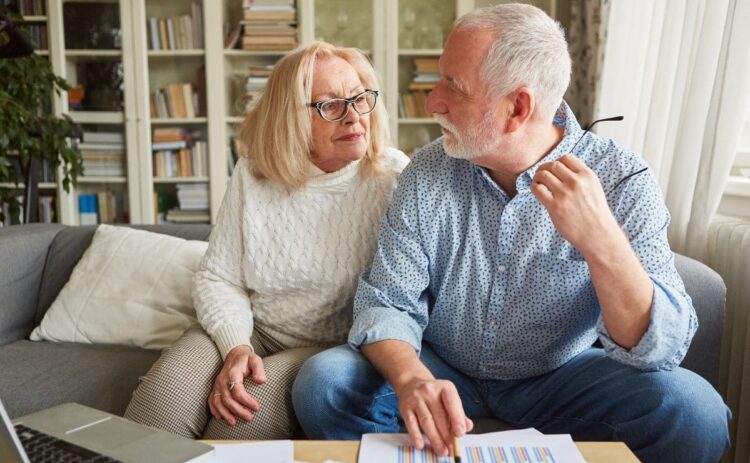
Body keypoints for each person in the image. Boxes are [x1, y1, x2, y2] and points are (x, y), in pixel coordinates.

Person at [292, 5, 730, 462]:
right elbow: (387, 301)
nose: (432, 101)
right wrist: (412, 379)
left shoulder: (622, 179)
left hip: (563, 376)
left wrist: (602, 242)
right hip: (443, 368)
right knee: (326, 383)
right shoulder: (427, 172)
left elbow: (661, 349)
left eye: (452, 88)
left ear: (518, 107)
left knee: (695, 413)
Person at [124, 41, 409, 440]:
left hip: (330, 348)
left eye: (360, 98)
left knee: (236, 421)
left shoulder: (394, 177)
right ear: (290, 118)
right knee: (160, 404)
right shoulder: (254, 172)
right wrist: (236, 347)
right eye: (330, 105)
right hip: (255, 329)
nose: (353, 117)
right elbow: (219, 278)